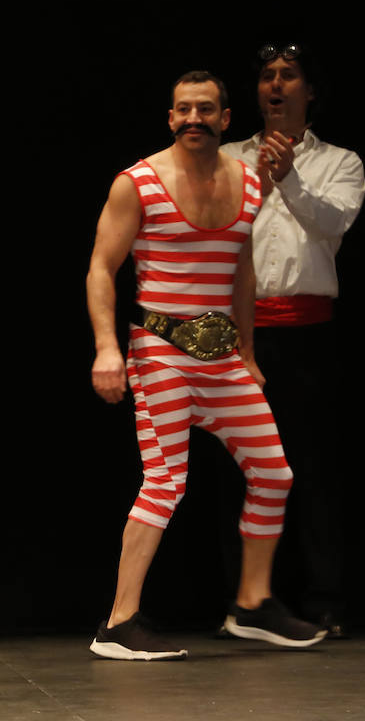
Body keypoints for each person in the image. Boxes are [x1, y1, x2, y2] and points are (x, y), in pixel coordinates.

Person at [84, 69, 326, 661]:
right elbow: (100, 268)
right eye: (183, 110)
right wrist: (108, 348)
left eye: (206, 110)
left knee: (275, 475)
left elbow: (241, 269)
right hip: (161, 351)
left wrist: (246, 351)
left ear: (224, 119)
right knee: (166, 482)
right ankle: (118, 623)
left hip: (221, 360)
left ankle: (250, 604)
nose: (194, 119)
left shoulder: (247, 184)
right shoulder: (137, 182)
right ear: (171, 118)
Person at [219, 44, 365, 637]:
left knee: (309, 469)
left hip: (304, 335)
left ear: (309, 91)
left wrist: (289, 178)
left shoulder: (340, 161)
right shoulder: (229, 157)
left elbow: (334, 222)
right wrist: (253, 180)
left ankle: (323, 599)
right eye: (267, 76)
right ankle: (243, 602)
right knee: (240, 472)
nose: (276, 84)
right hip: (235, 336)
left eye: (289, 75)